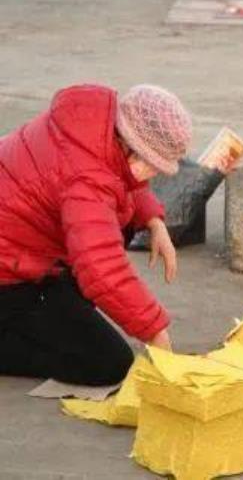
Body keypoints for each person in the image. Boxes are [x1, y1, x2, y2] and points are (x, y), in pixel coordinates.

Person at [0, 83, 191, 386]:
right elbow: (101, 267)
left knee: (119, 227)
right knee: (107, 363)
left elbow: (123, 180)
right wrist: (156, 333)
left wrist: (154, 221)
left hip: (26, 250)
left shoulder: (95, 127)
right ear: (131, 148)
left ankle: (49, 307)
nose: (154, 174)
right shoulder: (86, 179)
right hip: (9, 275)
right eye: (152, 165)